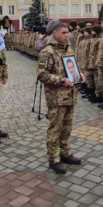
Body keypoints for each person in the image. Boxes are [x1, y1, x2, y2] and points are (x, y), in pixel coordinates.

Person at [38, 22, 84, 174]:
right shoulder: (47, 52)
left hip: (70, 95)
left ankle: (65, 153)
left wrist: (79, 74)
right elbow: (42, 74)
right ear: (55, 34)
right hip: (56, 98)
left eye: (67, 32)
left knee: (67, 128)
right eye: (63, 33)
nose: (67, 35)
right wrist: (61, 80)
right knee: (55, 129)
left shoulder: (69, 48)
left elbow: (73, 66)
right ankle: (54, 159)